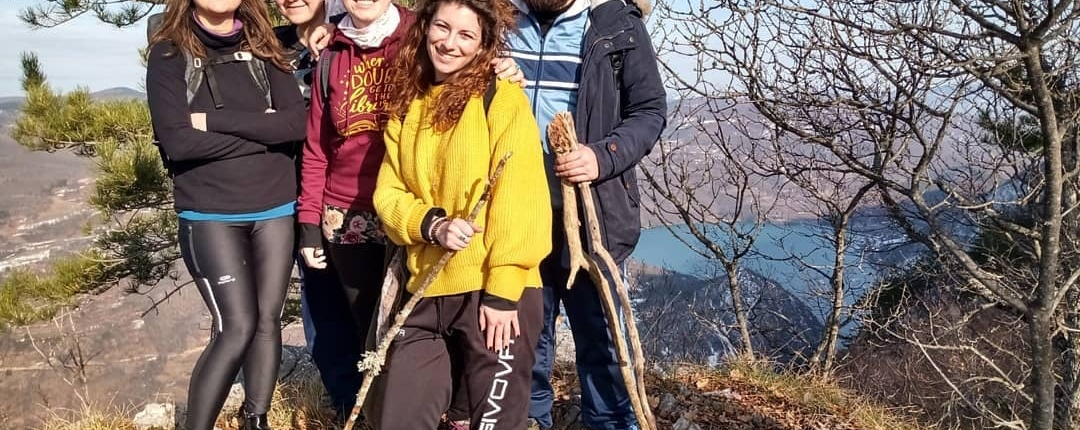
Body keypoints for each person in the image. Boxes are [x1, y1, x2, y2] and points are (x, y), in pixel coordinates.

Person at [370, 0, 552, 426]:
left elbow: (521, 196)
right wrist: (431, 224)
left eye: (466, 34)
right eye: (442, 27)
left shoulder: (499, 97)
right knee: (399, 418)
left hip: (495, 293)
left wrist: (503, 292)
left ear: (484, 44)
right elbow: (388, 193)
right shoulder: (408, 103)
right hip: (426, 289)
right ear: (425, 27)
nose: (449, 43)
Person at [146, 0, 307, 428]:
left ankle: (256, 419)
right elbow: (178, 143)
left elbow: (295, 125)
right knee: (236, 326)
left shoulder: (265, 46)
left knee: (267, 320)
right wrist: (263, 134)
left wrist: (212, 122)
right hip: (210, 213)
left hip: (276, 207)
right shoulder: (169, 52)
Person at [509, 0, 668, 429]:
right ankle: (529, 420)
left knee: (602, 336)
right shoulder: (499, 18)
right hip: (516, 215)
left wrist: (602, 156)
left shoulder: (614, 22)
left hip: (592, 213)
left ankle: (611, 422)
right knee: (525, 337)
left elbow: (649, 110)